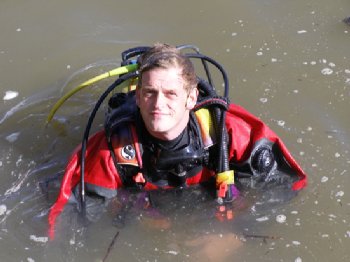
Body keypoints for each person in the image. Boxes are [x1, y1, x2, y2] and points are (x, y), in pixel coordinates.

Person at [48, 43, 307, 239]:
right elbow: (65, 226)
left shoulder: (230, 134)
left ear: (191, 98)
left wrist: (236, 235)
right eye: (149, 92)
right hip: (146, 209)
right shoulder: (109, 153)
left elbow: (287, 186)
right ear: (137, 97)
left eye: (171, 93)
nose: (158, 104)